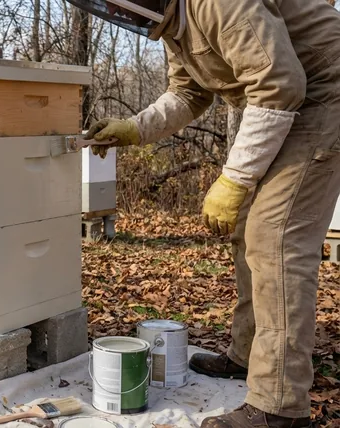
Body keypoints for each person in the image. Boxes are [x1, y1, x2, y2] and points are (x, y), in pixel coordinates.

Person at [66, 0, 340, 426]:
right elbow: (188, 93)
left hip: (323, 97)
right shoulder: (175, 24)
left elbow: (279, 85)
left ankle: (279, 406)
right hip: (288, 99)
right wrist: (135, 128)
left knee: (275, 240)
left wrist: (234, 178)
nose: (118, 13)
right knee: (248, 229)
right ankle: (249, 356)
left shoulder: (216, 3)